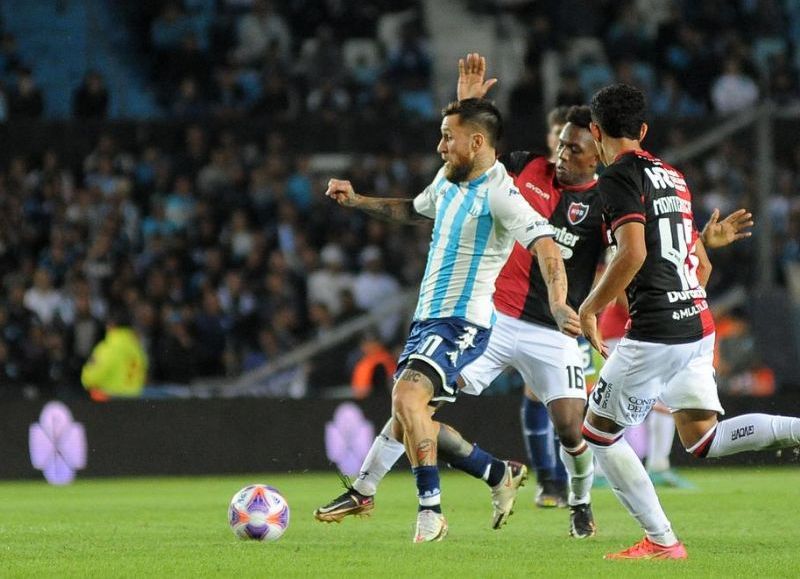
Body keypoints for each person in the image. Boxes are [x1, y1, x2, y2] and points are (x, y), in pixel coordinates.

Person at [322, 97, 576, 542]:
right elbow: (413, 211)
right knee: (411, 415)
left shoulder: (501, 192)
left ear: (476, 142)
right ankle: (495, 472)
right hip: (428, 318)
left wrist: (558, 303)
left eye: (447, 137)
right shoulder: (447, 180)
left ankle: (429, 511)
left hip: (465, 323)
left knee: (407, 395)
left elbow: (547, 246)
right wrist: (358, 200)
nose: (440, 146)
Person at [579, 83, 798, 560]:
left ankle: (661, 541)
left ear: (596, 131)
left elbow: (634, 252)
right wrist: (704, 239)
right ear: (642, 129)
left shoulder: (617, 177)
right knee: (704, 439)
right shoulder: (674, 177)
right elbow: (701, 265)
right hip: (697, 321)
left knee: (597, 433)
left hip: (657, 327)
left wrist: (591, 306)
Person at [81, 308, 148, 401]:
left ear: (111, 325)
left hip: (111, 401)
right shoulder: (137, 348)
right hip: (134, 401)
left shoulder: (108, 348)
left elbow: (90, 378)